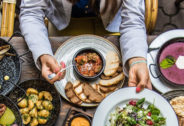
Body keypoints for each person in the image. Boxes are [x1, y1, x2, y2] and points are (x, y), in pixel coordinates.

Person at [19, 0, 151, 91]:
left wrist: (136, 59)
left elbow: (132, 22)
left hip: (110, 24)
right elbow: (31, 13)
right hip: (63, 24)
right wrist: (43, 53)